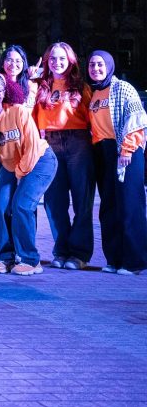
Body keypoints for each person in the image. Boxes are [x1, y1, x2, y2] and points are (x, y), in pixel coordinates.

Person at [0, 73, 58, 275]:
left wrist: (20, 175)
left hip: (39, 161)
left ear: (5, 92)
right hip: (11, 166)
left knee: (21, 206)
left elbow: (32, 147)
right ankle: (5, 257)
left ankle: (30, 260)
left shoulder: (18, 112)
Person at [33, 42, 94, 270]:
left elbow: (94, 120)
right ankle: (61, 250)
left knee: (82, 200)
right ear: (47, 62)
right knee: (54, 201)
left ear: (70, 61)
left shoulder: (81, 87)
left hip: (79, 142)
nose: (57, 63)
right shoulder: (42, 87)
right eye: (52, 59)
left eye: (61, 59)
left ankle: (79, 254)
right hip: (50, 142)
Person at [86, 50, 147, 274]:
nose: (96, 68)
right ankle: (114, 258)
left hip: (125, 151)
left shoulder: (123, 88)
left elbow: (136, 120)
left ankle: (134, 262)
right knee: (109, 207)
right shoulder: (94, 94)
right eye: (92, 65)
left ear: (109, 65)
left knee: (130, 206)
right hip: (103, 152)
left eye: (100, 64)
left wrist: (128, 149)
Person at [0, 45, 38, 110]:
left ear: (23, 64)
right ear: (2, 64)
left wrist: (34, 77)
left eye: (18, 61)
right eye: (9, 60)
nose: (13, 64)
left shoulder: (30, 85)